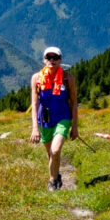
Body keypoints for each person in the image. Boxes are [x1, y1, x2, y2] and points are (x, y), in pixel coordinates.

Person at [29, 46, 78, 190]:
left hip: (62, 118)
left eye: (55, 57)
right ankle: (57, 176)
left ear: (60, 60)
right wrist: (34, 129)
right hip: (44, 120)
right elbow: (34, 103)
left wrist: (74, 126)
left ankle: (52, 181)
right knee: (50, 154)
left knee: (55, 151)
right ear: (44, 60)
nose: (52, 60)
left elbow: (74, 102)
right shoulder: (37, 78)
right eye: (48, 57)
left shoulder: (67, 78)